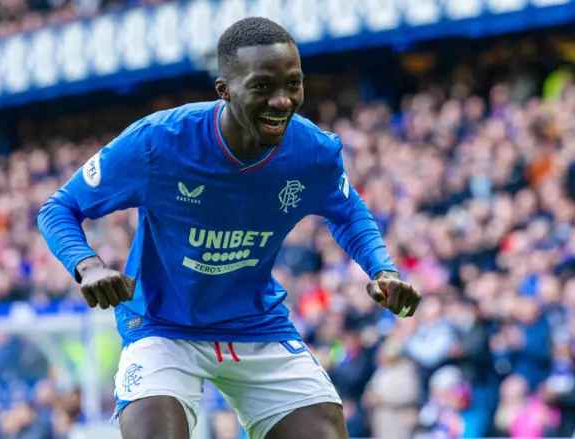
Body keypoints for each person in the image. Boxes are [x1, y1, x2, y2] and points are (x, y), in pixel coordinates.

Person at [37, 17, 421, 439]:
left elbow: (348, 213)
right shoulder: (158, 143)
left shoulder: (312, 151)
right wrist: (87, 265)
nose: (282, 101)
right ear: (225, 90)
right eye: (262, 87)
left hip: (256, 324)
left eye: (293, 84)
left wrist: (383, 270)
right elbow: (59, 208)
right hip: (162, 325)